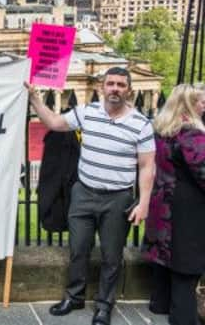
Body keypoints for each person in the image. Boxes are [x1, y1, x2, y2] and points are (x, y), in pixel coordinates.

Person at [25, 66, 155, 325]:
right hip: (83, 193)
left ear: (128, 89)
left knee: (111, 256)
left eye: (120, 84)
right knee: (78, 249)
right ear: (101, 87)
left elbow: (147, 167)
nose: (115, 88)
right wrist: (35, 99)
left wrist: (143, 203)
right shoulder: (87, 112)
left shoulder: (141, 124)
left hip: (117, 199)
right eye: (110, 84)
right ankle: (74, 297)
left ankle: (104, 305)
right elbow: (54, 123)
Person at [141, 84, 205, 325]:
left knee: (164, 257)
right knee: (186, 265)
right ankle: (183, 318)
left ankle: (160, 304)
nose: (204, 106)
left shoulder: (160, 129)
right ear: (188, 104)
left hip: (161, 200)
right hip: (186, 208)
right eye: (201, 102)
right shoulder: (191, 134)